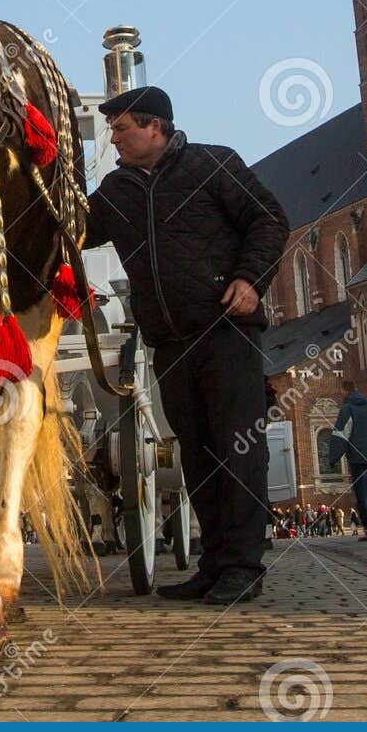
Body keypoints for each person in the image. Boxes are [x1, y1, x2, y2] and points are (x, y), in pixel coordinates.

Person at [85, 85, 289, 606]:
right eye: (112, 129)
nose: (114, 138)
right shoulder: (115, 192)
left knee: (237, 451)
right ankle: (214, 566)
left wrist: (250, 279)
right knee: (197, 456)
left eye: (122, 127)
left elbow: (268, 219)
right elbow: (74, 231)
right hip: (170, 343)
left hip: (226, 333)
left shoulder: (213, 165)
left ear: (156, 127)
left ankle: (243, 567)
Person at [328, 380, 367, 541]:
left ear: (344, 391)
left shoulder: (347, 409)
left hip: (359, 459)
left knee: (363, 494)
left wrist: (333, 457)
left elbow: (341, 435)